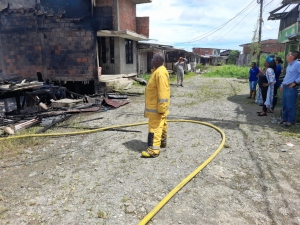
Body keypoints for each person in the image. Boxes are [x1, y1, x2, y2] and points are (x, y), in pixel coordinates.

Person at [141, 52, 170, 158]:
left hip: (156, 108)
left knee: (154, 128)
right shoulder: (158, 71)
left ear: (158, 61)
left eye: (153, 58)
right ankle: (162, 142)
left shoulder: (160, 73)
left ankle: (153, 151)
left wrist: (161, 107)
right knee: (162, 124)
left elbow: (163, 92)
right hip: (158, 107)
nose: (151, 60)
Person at [280, 51, 300, 127]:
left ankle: (290, 121)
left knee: (290, 105)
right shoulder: (289, 65)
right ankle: (284, 119)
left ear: (292, 56)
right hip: (285, 87)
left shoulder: (297, 64)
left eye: (288, 54)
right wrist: (282, 84)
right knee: (284, 104)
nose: (287, 55)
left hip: (291, 88)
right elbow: (287, 77)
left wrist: (295, 82)